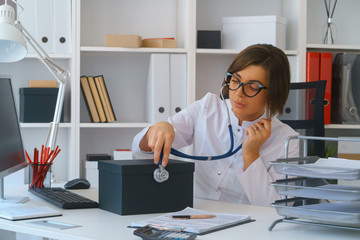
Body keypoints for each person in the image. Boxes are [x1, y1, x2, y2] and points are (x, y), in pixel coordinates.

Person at [132, 44, 299, 206]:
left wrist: (251, 155)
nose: (238, 93)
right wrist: (156, 131)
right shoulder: (207, 108)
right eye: (235, 81)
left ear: (274, 93)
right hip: (195, 214)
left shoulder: (287, 141)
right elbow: (139, 152)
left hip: (247, 226)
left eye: (252, 87)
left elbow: (278, 208)